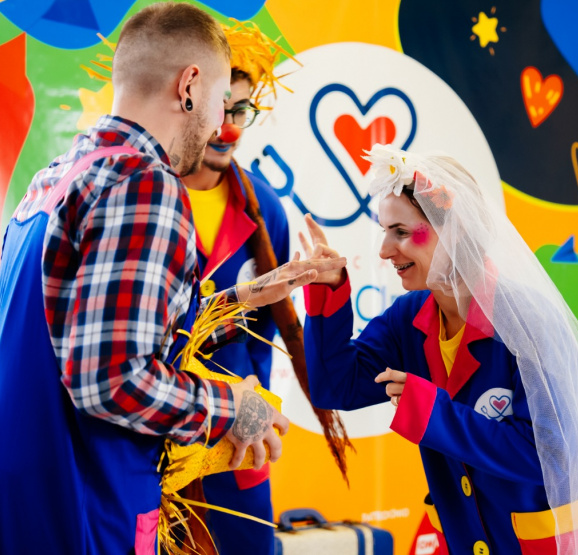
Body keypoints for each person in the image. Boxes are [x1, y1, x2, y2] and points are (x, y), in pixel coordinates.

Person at [0, 4, 345, 554]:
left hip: (0, 505)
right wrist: (233, 407)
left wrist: (241, 297)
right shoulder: (144, 184)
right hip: (78, 506)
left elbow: (90, 325)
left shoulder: (56, 178)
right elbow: (111, 381)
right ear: (190, 86)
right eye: (217, 103)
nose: (217, 125)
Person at [299, 145, 578, 554]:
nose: (384, 250)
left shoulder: (530, 321)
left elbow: (551, 458)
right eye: (385, 232)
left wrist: (433, 413)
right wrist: (329, 292)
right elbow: (335, 388)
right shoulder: (406, 320)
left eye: (402, 232)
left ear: (455, 230)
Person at [177, 21, 351, 555]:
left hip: (241, 430)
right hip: (163, 426)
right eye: (219, 109)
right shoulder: (148, 202)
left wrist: (255, 405)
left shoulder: (264, 208)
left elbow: (266, 337)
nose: (228, 128)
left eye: (242, 112)